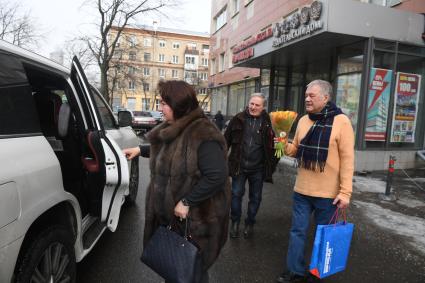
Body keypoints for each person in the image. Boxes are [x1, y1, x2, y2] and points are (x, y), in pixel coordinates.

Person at [123, 80, 231, 283]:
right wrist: (140, 150)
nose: (160, 108)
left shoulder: (202, 132)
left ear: (179, 105)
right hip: (175, 219)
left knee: (191, 272)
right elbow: (169, 152)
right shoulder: (176, 126)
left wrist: (187, 201)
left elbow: (217, 175)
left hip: (196, 222)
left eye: (164, 103)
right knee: (176, 270)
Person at [276, 80, 355, 282]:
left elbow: (347, 159)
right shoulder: (303, 120)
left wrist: (345, 192)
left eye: (312, 95)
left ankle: (316, 274)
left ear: (326, 97)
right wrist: (283, 142)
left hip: (328, 195)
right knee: (297, 232)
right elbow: (296, 151)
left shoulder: (341, 121)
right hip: (302, 190)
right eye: (306, 95)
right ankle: (294, 271)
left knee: (323, 237)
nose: (307, 99)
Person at [224, 93, 278, 239]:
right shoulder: (238, 119)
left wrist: (271, 166)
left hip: (258, 169)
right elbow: (225, 141)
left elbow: (276, 148)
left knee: (256, 198)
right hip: (239, 167)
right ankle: (234, 222)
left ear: (263, 107)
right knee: (236, 195)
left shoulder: (270, 123)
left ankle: (250, 223)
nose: (253, 107)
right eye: (251, 104)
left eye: (257, 105)